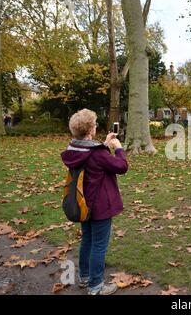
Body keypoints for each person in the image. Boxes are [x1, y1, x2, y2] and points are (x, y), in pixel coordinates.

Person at [61, 108, 128, 295]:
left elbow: (92, 157)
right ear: (91, 130)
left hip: (82, 204)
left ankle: (84, 277)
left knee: (87, 240)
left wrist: (104, 144)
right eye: (95, 124)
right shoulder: (97, 153)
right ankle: (96, 285)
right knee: (99, 245)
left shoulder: (74, 149)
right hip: (100, 206)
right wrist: (119, 148)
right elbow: (121, 166)